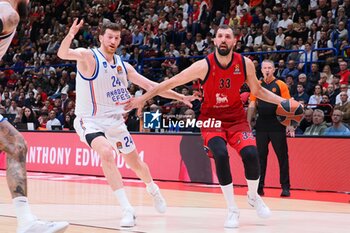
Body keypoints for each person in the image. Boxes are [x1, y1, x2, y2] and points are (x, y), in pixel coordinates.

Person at [125, 25, 302, 228]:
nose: (224, 39)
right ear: (215, 41)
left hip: (236, 118)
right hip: (212, 120)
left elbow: (258, 91)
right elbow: (170, 82)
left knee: (252, 155)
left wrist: (284, 102)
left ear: (235, 41)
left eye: (228, 36)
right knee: (220, 153)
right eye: (220, 36)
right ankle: (232, 209)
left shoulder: (245, 64)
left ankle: (253, 197)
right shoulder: (203, 65)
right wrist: (143, 99)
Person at [57, 19, 196, 227]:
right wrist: (70, 34)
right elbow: (62, 54)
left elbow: (152, 86)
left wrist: (181, 98)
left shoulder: (124, 66)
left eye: (117, 37)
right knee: (106, 153)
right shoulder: (88, 57)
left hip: (115, 122)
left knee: (137, 165)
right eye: (110, 37)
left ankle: (152, 189)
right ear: (101, 37)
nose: (113, 41)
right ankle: (127, 209)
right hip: (90, 121)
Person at [0, 1, 69, 232]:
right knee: (16, 145)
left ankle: (26, 221)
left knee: (16, 146)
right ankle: (26, 222)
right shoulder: (8, 14)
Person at [247, 60, 294, 197]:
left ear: (274, 70)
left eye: (269, 67)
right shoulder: (257, 85)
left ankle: (285, 187)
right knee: (260, 157)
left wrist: (289, 124)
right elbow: (252, 104)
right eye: (264, 68)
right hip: (262, 124)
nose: (267, 70)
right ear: (261, 70)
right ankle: (259, 188)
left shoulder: (280, 84)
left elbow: (288, 104)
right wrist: (248, 121)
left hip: (277, 124)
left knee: (282, 157)